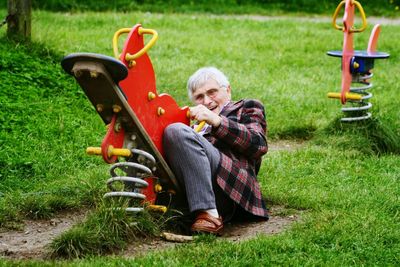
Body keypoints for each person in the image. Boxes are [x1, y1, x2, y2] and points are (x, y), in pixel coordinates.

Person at [163, 67, 268, 235]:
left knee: (176, 130)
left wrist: (217, 121)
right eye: (199, 97)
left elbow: (258, 144)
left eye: (212, 92)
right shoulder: (192, 124)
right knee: (167, 132)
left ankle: (209, 214)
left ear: (227, 90)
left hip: (232, 186)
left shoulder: (247, 107)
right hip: (191, 189)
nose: (206, 101)